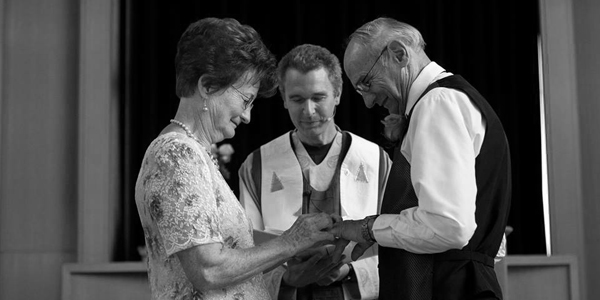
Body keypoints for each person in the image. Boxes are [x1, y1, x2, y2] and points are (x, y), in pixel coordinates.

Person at [134, 18, 337, 300]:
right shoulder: (177, 155)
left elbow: (223, 249)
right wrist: (292, 242)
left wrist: (299, 243)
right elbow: (208, 270)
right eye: (245, 100)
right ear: (207, 86)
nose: (247, 116)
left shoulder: (192, 153)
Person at [331, 17, 511, 300]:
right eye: (359, 91)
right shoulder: (445, 100)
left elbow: (449, 226)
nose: (367, 102)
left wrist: (368, 228)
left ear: (399, 54)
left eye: (366, 83)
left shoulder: (437, 103)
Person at [239, 44, 391, 300]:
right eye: (297, 99)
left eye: (318, 97)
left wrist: (349, 271)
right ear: (284, 99)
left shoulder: (377, 161)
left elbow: (401, 245)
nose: (308, 111)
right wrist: (286, 279)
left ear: (338, 95)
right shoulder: (257, 165)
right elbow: (242, 253)